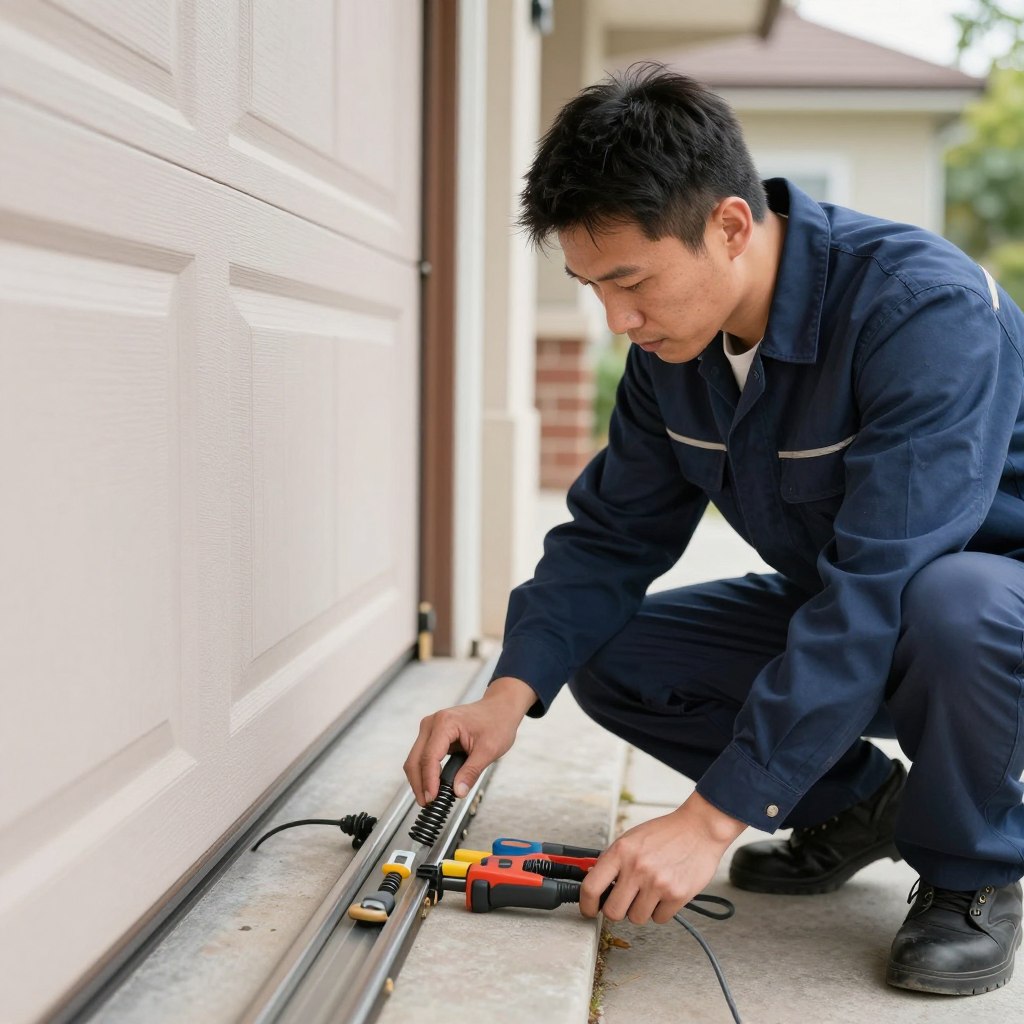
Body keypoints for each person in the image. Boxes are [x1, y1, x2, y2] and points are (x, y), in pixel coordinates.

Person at [404, 63, 1024, 996]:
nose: (617, 320)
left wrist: (710, 819)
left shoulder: (920, 311)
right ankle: (862, 806)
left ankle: (974, 876)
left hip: (979, 625)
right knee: (612, 652)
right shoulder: (673, 347)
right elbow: (614, 534)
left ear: (730, 225)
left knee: (954, 598)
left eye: (631, 281)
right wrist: (508, 692)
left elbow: (882, 581)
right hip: (869, 614)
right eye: (591, 286)